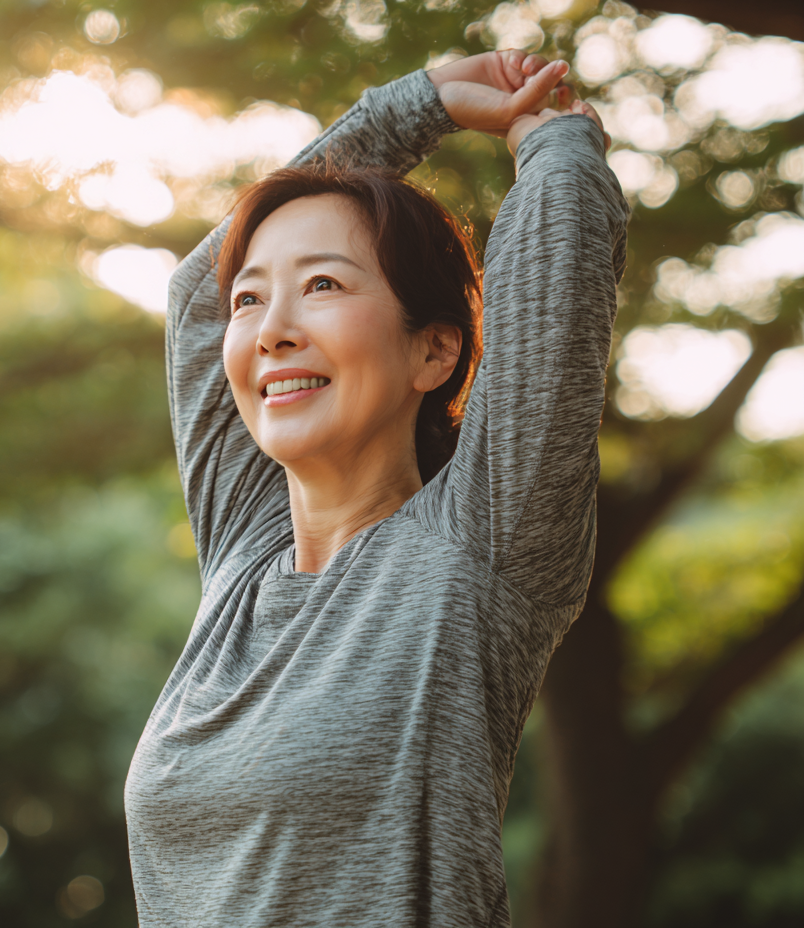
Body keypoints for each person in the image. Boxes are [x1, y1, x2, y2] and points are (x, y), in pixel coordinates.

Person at [124, 49, 629, 927]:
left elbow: (551, 276)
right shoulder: (243, 556)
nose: (272, 330)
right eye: (253, 299)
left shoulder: (479, 547)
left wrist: (551, 140)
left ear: (434, 350)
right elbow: (198, 299)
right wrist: (421, 104)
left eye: (322, 284)